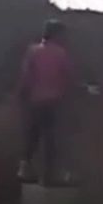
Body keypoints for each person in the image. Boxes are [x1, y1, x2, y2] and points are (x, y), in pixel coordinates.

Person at [17, 19, 74, 185]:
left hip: (35, 101)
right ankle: (50, 174)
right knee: (51, 139)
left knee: (32, 136)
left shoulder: (33, 51)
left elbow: (26, 77)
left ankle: (24, 169)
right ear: (57, 35)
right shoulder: (61, 54)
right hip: (53, 101)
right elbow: (68, 77)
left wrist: (21, 96)